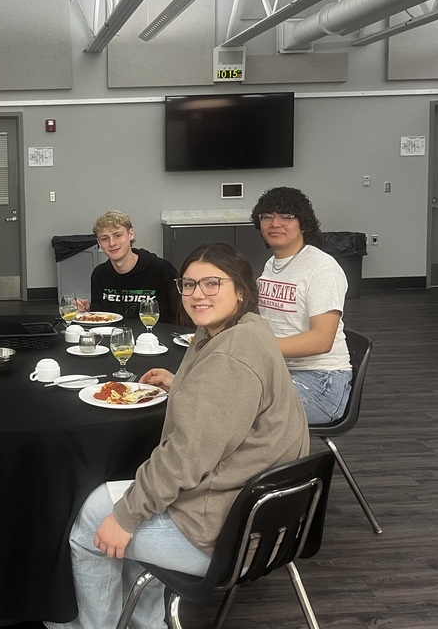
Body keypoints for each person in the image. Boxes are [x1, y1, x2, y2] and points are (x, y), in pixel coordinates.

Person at [48, 243, 309, 629]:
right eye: (188, 285)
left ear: (241, 289)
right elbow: (228, 406)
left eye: (211, 283)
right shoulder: (248, 330)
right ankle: (144, 622)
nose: (197, 294)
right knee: (124, 504)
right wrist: (181, 385)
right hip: (263, 513)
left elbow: (186, 457)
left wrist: (126, 516)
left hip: (227, 530)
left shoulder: (228, 359)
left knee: (93, 520)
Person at [251, 187, 353, 425]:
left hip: (322, 384)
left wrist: (258, 348)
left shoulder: (321, 268)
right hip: (279, 372)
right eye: (267, 217)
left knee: (232, 409)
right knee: (215, 394)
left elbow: (321, 339)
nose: (275, 223)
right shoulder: (272, 265)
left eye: (286, 217)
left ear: (303, 224)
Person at [75, 211, 179, 322]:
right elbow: (101, 316)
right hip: (113, 337)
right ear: (99, 243)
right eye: (105, 238)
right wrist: (89, 309)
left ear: (131, 234)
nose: (112, 243)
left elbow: (180, 313)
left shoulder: (162, 270)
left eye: (117, 235)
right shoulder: (99, 274)